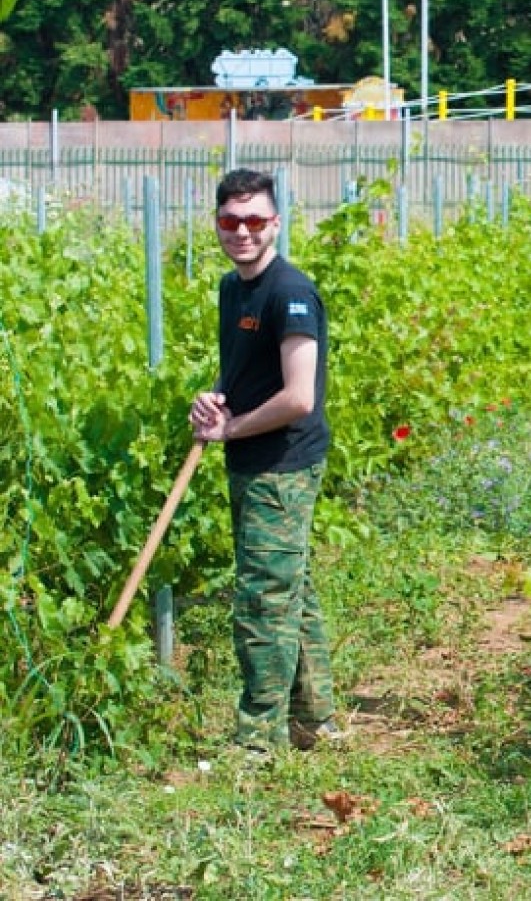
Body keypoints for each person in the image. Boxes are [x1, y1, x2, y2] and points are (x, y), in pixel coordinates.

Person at [189, 168, 341, 755]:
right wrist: (214, 400)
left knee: (263, 601)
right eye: (231, 221)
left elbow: (299, 397)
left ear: (275, 222)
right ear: (218, 224)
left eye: (255, 220)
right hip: (250, 457)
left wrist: (234, 430)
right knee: (289, 589)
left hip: (282, 463)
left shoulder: (290, 292)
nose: (242, 231)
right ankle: (314, 719)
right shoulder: (235, 289)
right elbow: (245, 374)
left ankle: (257, 740)